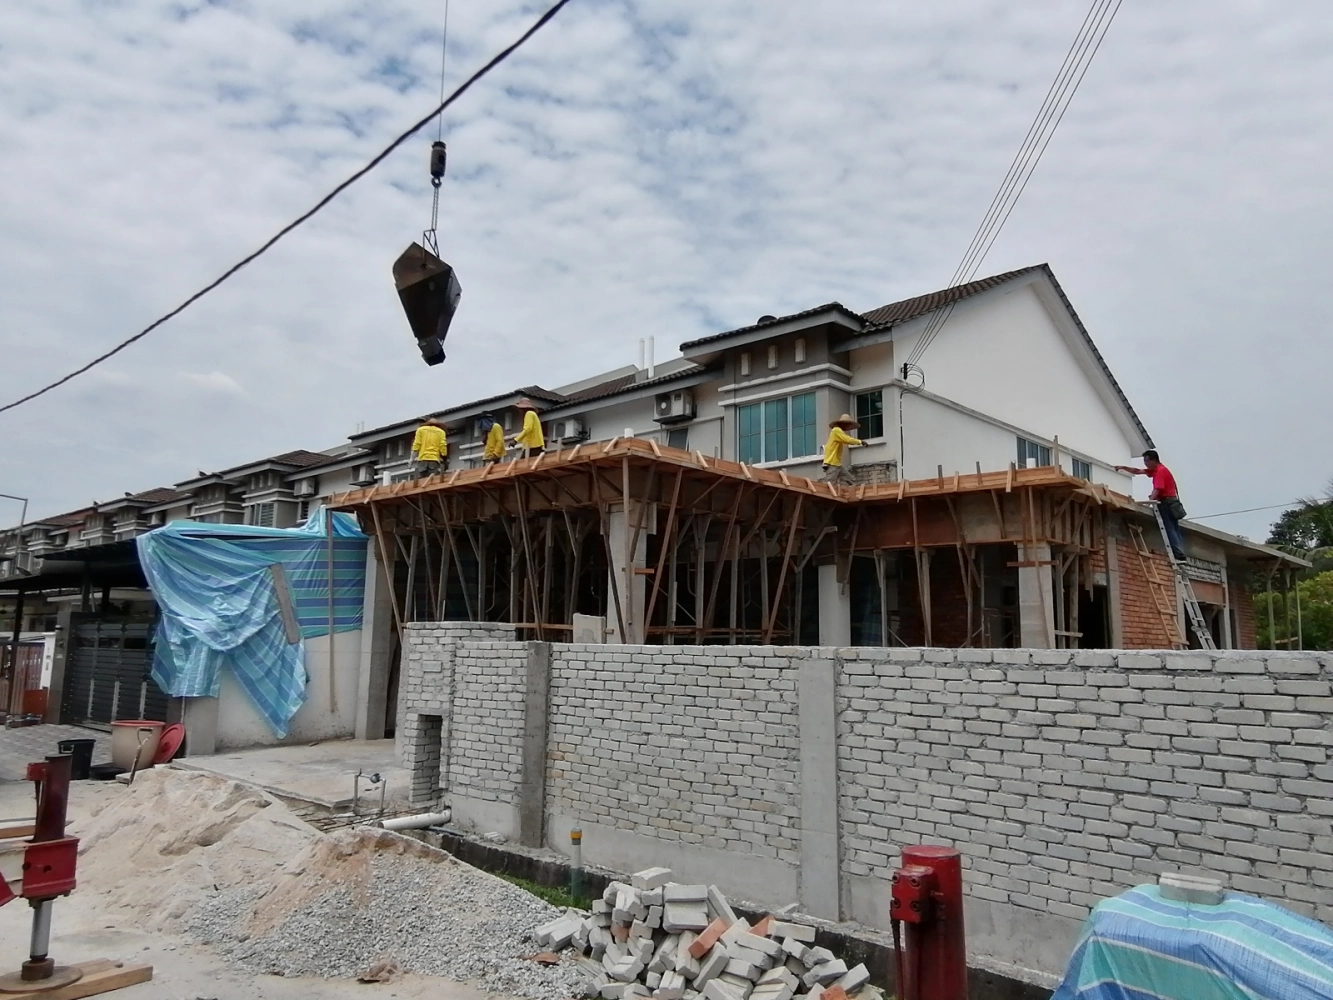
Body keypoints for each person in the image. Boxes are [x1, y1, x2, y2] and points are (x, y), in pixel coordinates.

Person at [1116, 449, 1187, 561]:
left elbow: (1158, 489)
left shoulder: (1159, 471)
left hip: (1167, 503)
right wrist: (1123, 467)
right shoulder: (1156, 470)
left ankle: (1178, 554)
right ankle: (1181, 553)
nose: (1145, 464)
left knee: (1170, 529)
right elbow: (1138, 471)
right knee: (1174, 529)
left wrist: (1149, 502)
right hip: (1171, 502)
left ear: (1154, 460)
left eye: (1147, 461)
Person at [821, 413, 862, 487]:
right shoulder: (836, 430)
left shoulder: (837, 431)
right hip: (832, 464)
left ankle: (856, 491)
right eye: (847, 425)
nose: (847, 427)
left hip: (837, 464)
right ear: (843, 424)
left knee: (851, 480)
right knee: (829, 487)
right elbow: (847, 439)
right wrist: (860, 442)